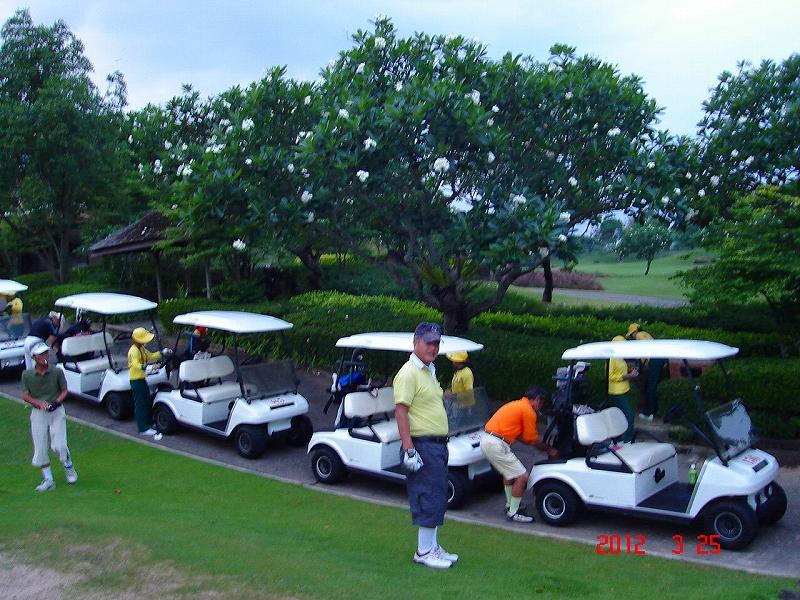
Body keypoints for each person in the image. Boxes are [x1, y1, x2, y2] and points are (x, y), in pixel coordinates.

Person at [394, 321, 458, 570]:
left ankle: (432, 546)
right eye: (428, 342)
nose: (433, 347)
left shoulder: (429, 370)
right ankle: (423, 552)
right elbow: (401, 411)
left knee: (437, 495)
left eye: (436, 343)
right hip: (422, 445)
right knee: (428, 495)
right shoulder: (409, 373)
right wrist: (409, 448)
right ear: (415, 343)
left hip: (436, 445)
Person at [480, 385, 559, 523]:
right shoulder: (528, 411)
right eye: (542, 401)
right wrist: (550, 450)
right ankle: (513, 512)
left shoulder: (518, 405)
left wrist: (536, 444)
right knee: (522, 476)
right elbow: (531, 439)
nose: (541, 405)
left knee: (509, 474)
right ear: (537, 399)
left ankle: (510, 504)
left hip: (489, 440)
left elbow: (521, 437)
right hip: (496, 444)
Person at [20, 342, 77, 492]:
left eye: (45, 353)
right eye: (41, 354)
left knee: (59, 445)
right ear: (34, 358)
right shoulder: (27, 375)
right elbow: (25, 395)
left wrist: (56, 402)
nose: (44, 356)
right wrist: (38, 403)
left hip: (57, 411)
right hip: (38, 412)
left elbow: (64, 390)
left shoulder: (57, 372)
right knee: (40, 446)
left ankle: (68, 465)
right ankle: (48, 480)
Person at [128, 327, 171, 437]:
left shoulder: (141, 349)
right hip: (136, 380)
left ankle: (148, 424)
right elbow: (135, 365)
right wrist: (149, 367)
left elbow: (151, 356)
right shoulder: (134, 351)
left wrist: (162, 352)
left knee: (146, 401)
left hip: (141, 379)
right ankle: (143, 427)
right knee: (140, 404)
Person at [626, 323, 665, 421]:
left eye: (631, 334)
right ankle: (654, 411)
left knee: (650, 387)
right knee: (652, 386)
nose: (632, 337)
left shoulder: (639, 335)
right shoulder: (646, 334)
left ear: (635, 331)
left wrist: (640, 366)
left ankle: (649, 413)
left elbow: (644, 349)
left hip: (655, 360)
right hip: (659, 358)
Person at [608, 335, 638, 443]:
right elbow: (610, 376)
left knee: (620, 416)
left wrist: (630, 372)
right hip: (616, 392)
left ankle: (618, 440)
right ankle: (627, 440)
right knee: (629, 415)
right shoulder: (612, 358)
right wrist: (628, 376)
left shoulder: (620, 356)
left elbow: (620, 371)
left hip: (623, 390)